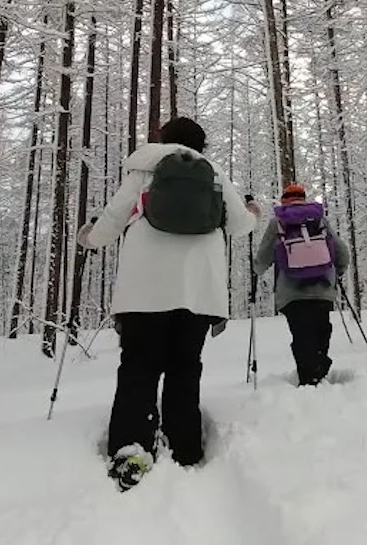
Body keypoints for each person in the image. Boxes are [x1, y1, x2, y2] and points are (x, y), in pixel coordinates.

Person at [77, 117, 260, 489]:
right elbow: (240, 225)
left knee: (138, 369)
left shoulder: (145, 167)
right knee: (184, 368)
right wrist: (255, 214)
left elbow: (114, 216)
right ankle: (185, 447)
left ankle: (131, 452)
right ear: (200, 144)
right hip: (199, 290)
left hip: (145, 289)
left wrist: (90, 238)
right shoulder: (214, 173)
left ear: (162, 139)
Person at [252, 183, 350, 386]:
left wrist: (257, 270)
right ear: (303, 198)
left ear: (284, 200)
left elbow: (263, 258)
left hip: (292, 294)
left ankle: (310, 377)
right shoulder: (319, 219)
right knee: (321, 331)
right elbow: (342, 252)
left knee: (302, 334)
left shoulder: (278, 222)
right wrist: (337, 272)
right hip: (322, 288)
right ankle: (319, 369)